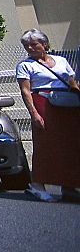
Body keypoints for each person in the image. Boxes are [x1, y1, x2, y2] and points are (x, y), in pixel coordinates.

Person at [16, 28, 80, 202]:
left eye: (33, 44)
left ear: (44, 44)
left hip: (67, 104)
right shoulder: (25, 65)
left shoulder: (61, 61)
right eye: (26, 45)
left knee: (70, 145)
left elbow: (72, 83)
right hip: (43, 103)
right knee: (47, 145)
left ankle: (69, 186)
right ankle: (37, 185)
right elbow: (25, 91)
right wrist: (34, 113)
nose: (30, 48)